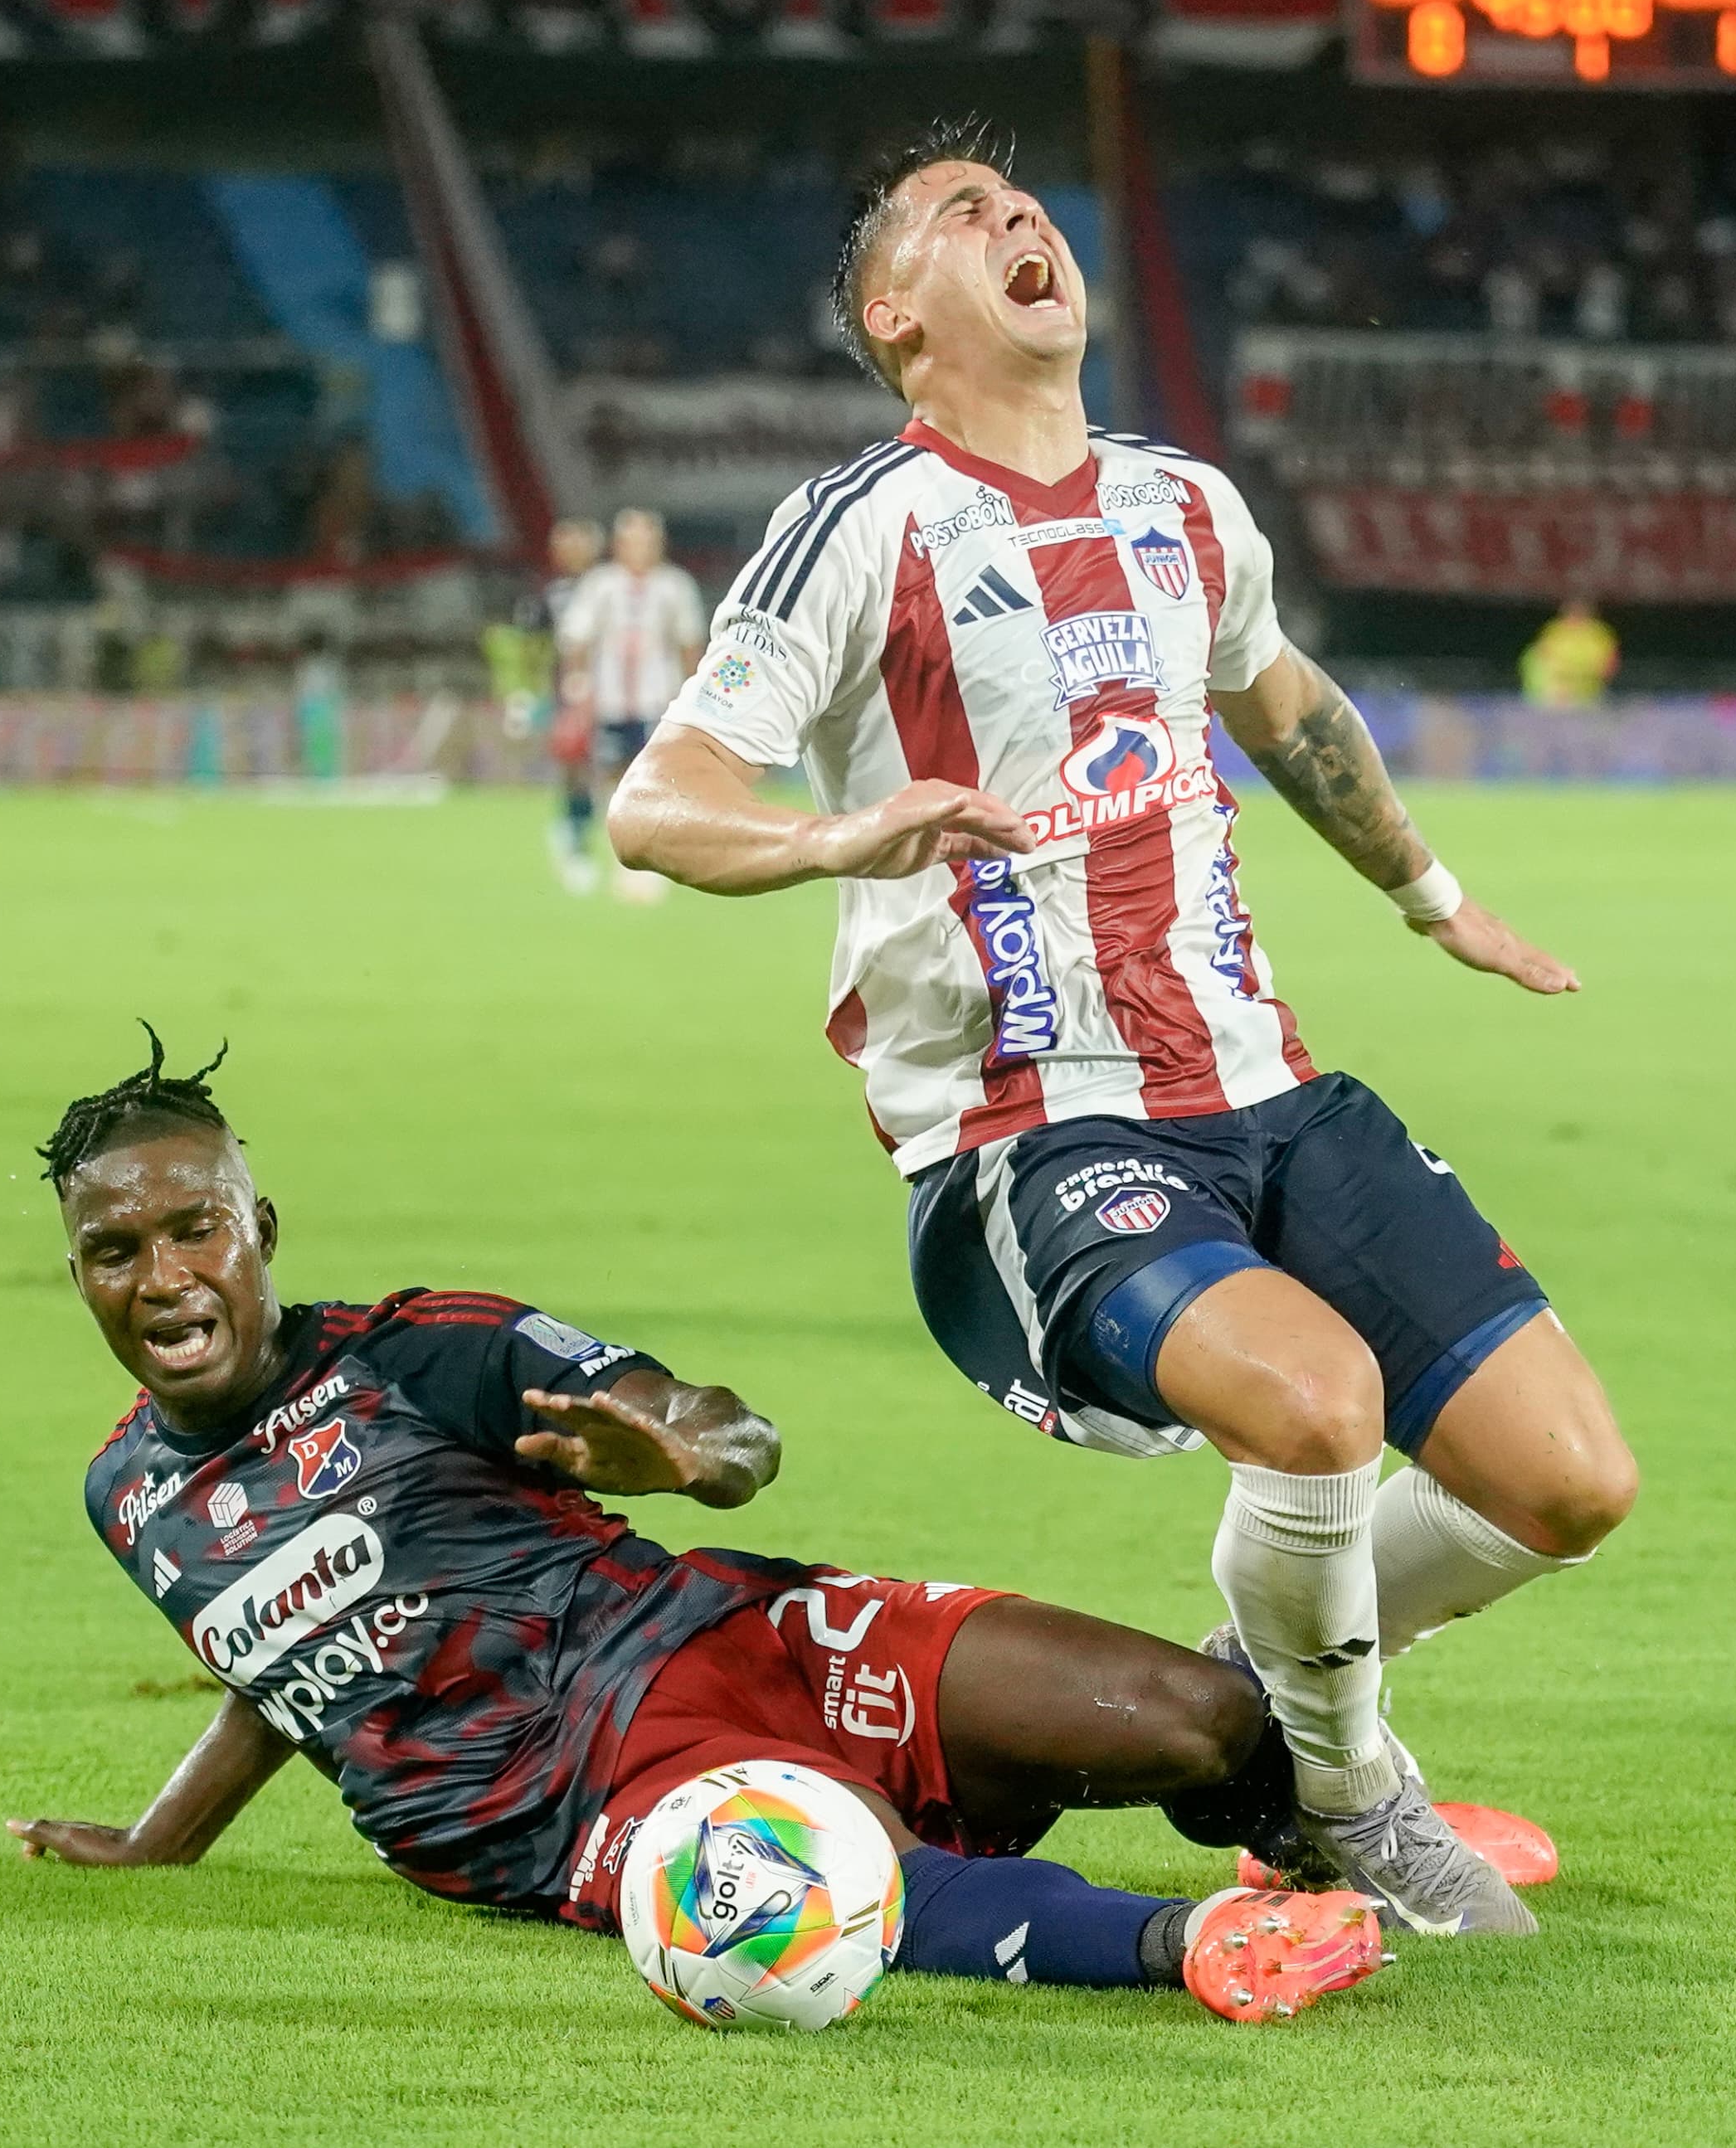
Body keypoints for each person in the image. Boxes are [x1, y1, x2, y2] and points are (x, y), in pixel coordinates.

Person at [607, 123, 1638, 1937]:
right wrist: (840, 833)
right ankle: (1343, 1797)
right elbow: (656, 803)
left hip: (1265, 1083)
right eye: (958, 214)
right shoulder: (861, 526)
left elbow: (1288, 705)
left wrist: (1431, 894)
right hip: (1038, 1124)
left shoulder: (1186, 505)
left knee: (1568, 1483)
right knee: (1313, 1405)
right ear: (895, 314)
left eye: (1021, 201)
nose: (1016, 216)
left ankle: (1269, 1669)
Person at [4, 1035, 1389, 2025]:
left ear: (260, 1228)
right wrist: (161, 1837)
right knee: (827, 1882)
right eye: (117, 1251)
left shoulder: (416, 1354)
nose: (165, 1277)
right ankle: (1194, 1941)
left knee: (1198, 1717)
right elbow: (286, 1666)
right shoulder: (128, 1496)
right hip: (562, 1804)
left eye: (197, 1230)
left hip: (724, 1636)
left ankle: (1324, 1835)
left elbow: (729, 1434)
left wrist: (680, 1454)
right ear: (76, 1274)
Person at [556, 507, 704, 901]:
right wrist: (577, 687)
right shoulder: (601, 585)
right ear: (619, 545)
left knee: (652, 776)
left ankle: (645, 860)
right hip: (609, 700)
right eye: (634, 541)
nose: (641, 549)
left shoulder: (674, 586)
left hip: (657, 699)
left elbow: (689, 641)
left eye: (648, 541)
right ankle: (597, 848)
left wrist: (694, 694)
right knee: (605, 775)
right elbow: (578, 638)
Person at [509, 513, 605, 894]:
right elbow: (532, 649)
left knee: (621, 768)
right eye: (564, 543)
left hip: (620, 695)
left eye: (578, 542)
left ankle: (624, 845)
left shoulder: (613, 588)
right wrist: (526, 694)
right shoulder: (548, 595)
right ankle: (575, 837)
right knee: (576, 767)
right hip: (571, 696)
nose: (570, 550)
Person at [1521, 597, 1619, 710]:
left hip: (1589, 691)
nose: (1576, 617)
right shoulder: (1555, 630)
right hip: (1556, 691)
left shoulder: (1599, 633)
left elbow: (1610, 663)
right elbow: (1542, 657)